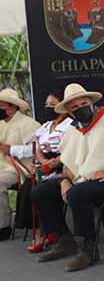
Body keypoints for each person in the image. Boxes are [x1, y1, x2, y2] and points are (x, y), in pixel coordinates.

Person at [32, 83, 104, 271]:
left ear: (91, 102)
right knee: (40, 192)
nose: (80, 108)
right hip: (81, 178)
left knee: (78, 194)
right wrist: (65, 180)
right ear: (69, 111)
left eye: (84, 104)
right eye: (75, 107)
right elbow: (68, 162)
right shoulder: (73, 130)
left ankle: (88, 250)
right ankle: (63, 240)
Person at [9, 89, 73, 252]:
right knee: (27, 188)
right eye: (46, 104)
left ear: (62, 106)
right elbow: (37, 147)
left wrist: (53, 163)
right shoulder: (46, 126)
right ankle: (39, 232)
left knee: (39, 190)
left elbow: (71, 150)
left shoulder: (70, 125)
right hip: (45, 166)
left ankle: (50, 232)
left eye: (52, 104)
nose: (48, 107)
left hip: (64, 167)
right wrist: (42, 162)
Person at [0, 88, 41, 241]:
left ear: (12, 106)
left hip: (18, 169)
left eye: (2, 105)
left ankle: (3, 227)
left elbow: (37, 149)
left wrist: (11, 149)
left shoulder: (28, 124)